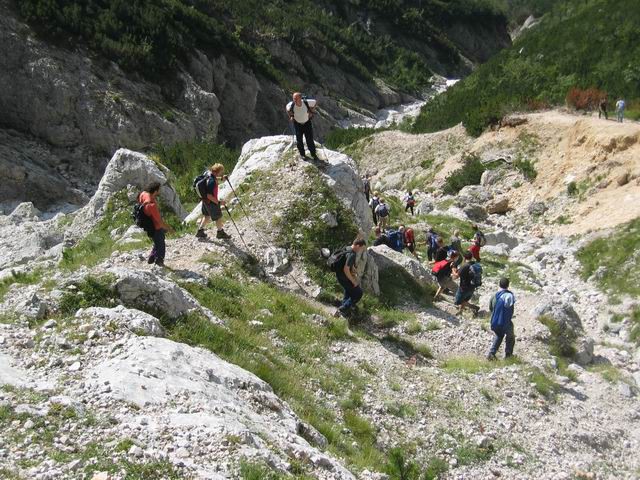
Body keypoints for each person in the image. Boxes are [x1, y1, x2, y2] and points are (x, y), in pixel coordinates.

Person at [138, 183, 174, 267]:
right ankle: (159, 261)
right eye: (159, 190)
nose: (159, 191)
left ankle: (152, 257)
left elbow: (140, 201)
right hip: (155, 226)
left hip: (147, 224)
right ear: (155, 191)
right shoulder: (152, 205)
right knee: (161, 244)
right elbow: (160, 222)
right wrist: (169, 229)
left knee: (156, 241)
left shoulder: (143, 194)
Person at [196, 163, 231, 240]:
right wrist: (218, 202)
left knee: (207, 216)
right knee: (218, 217)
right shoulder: (212, 181)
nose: (221, 173)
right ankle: (220, 232)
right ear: (217, 172)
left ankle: (200, 231)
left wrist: (222, 178)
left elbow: (214, 179)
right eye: (221, 172)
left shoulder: (209, 175)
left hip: (205, 201)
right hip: (211, 202)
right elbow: (209, 195)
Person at [334, 238, 367, 318]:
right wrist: (353, 281)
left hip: (339, 275)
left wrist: (352, 268)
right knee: (358, 293)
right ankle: (342, 309)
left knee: (349, 290)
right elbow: (346, 269)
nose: (360, 250)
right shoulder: (352, 254)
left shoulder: (347, 248)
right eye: (361, 248)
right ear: (358, 246)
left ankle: (345, 307)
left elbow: (346, 261)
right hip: (343, 276)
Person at [487, 278, 516, 360]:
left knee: (499, 335)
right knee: (510, 336)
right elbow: (511, 309)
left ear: (499, 284)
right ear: (508, 285)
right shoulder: (510, 295)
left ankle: (491, 353)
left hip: (495, 321)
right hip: (506, 322)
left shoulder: (495, 295)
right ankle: (508, 354)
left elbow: (491, 308)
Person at [286, 92, 318, 160]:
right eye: (293, 98)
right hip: (297, 124)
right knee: (299, 140)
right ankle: (302, 154)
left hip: (307, 123)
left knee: (309, 140)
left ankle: (313, 154)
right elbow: (287, 109)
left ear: (300, 98)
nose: (294, 99)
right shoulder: (291, 104)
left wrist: (311, 111)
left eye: (295, 98)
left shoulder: (306, 102)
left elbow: (315, 102)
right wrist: (291, 116)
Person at [453, 251, 480, 315]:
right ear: (471, 257)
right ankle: (460, 311)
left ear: (464, 258)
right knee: (465, 300)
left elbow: (456, 276)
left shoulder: (465, 266)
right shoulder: (474, 264)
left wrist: (453, 269)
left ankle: (474, 307)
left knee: (457, 301)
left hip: (464, 287)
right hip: (473, 286)